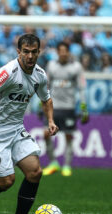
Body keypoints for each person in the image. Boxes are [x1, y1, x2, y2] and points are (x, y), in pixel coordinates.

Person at [0, 34, 58, 214]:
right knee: (7, 181)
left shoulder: (40, 75)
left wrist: (50, 120)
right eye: (25, 52)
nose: (29, 56)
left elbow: (47, 99)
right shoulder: (8, 71)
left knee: (35, 172)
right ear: (18, 52)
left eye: (34, 52)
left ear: (39, 52)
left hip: (17, 129)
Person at [42, 41, 88, 177]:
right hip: (53, 107)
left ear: (68, 52)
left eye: (65, 50)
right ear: (57, 52)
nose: (63, 53)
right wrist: (41, 105)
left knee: (68, 136)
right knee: (46, 134)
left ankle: (67, 165)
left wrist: (84, 108)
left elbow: (81, 88)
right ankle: (53, 163)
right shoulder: (51, 66)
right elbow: (45, 86)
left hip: (68, 107)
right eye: (60, 50)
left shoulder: (76, 67)